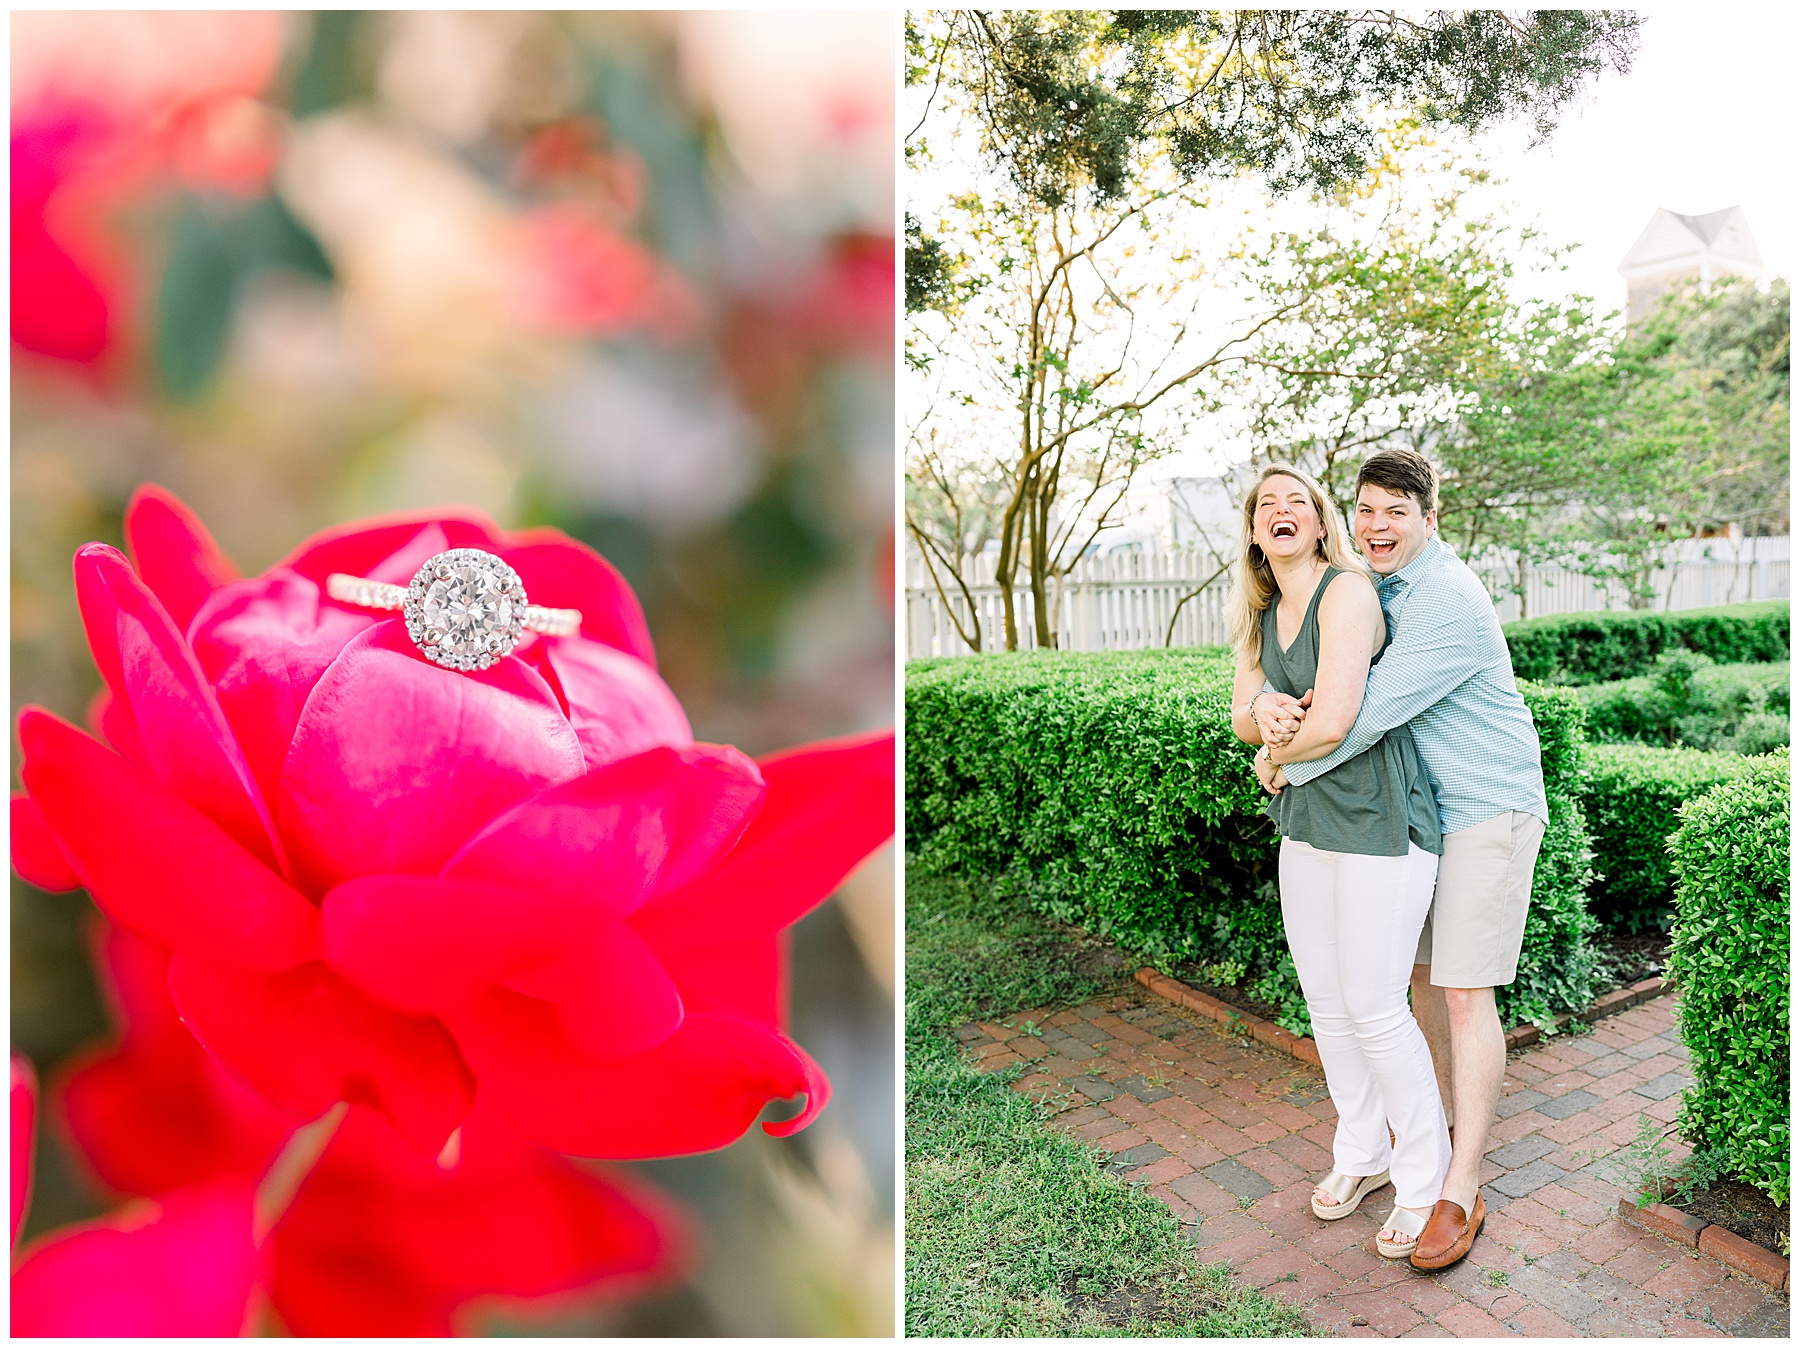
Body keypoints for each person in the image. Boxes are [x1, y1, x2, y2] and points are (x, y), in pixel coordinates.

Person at [1257, 446, 1548, 1272]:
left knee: (1462, 993)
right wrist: (1269, 710)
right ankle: (1423, 1143)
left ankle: (1461, 1184)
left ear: (1430, 518)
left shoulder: (1446, 597)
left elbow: (1365, 713)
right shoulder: (1370, 586)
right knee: (1411, 985)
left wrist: (1276, 763)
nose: (1377, 525)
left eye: (1396, 511)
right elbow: (1320, 684)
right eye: (1367, 510)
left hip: (1485, 806)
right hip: (1420, 817)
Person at [1228, 462, 1448, 1261]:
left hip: (1380, 819)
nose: (1283, 511)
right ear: (1256, 531)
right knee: (1326, 1001)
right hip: (1309, 825)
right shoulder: (1259, 611)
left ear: (1320, 524)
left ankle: (1425, 1181)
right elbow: (1240, 714)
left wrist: (1274, 759)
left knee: (1376, 1005)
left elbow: (1340, 717)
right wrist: (1262, 711)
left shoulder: (1347, 593)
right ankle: (1363, 1152)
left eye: (1300, 502)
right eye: (1268, 505)